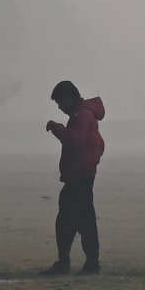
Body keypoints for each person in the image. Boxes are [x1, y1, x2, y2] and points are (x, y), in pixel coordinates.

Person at [41, 81, 105, 275]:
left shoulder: (81, 115)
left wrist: (56, 127)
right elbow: (99, 144)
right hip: (81, 176)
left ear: (69, 97)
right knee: (78, 221)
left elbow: (74, 140)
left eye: (60, 101)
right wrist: (92, 161)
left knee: (72, 221)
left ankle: (73, 264)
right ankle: (82, 264)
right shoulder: (86, 114)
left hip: (79, 178)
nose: (59, 106)